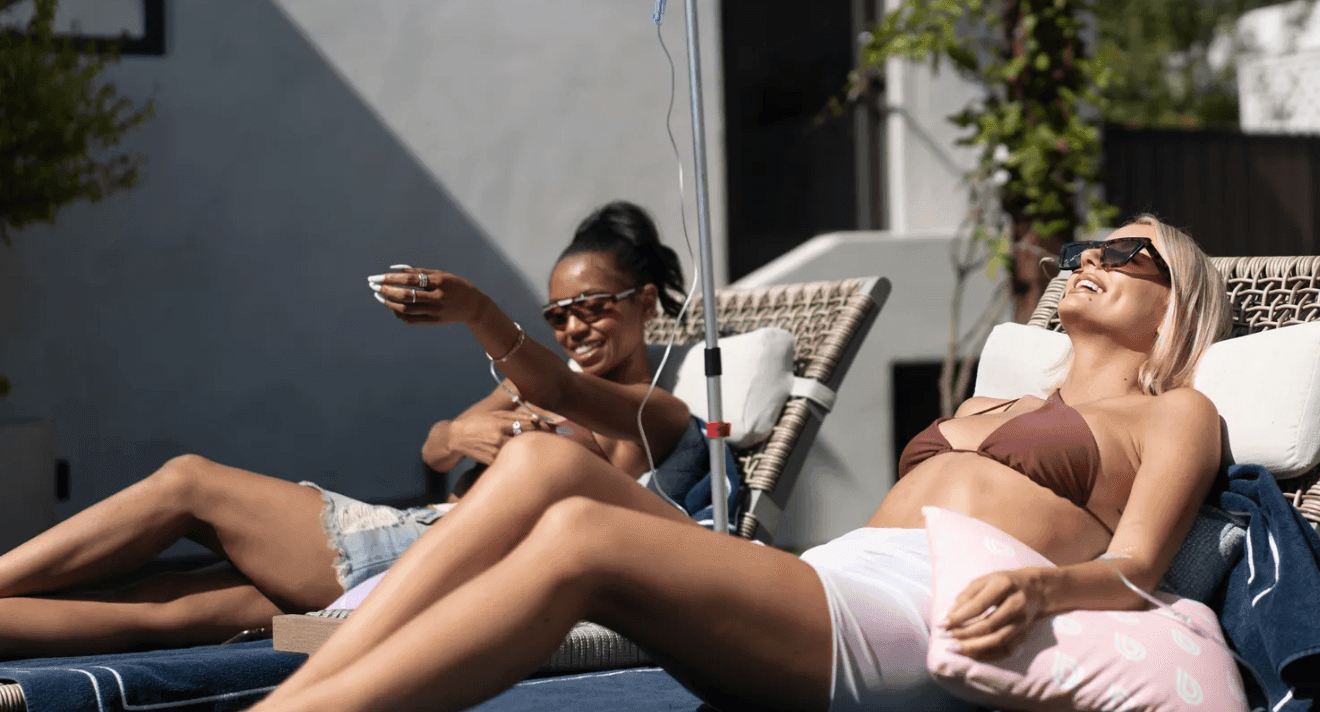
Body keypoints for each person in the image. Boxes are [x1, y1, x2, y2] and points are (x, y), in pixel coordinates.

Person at [247, 214, 1233, 712]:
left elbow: (1137, 567)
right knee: (542, 473)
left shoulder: (1174, 413)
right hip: (828, 580)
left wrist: (1044, 591)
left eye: (1127, 254)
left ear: (1174, 303)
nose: (1091, 256)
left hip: (898, 626)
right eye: (1089, 244)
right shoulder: (999, 398)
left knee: (582, 534)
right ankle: (309, 678)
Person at [0, 201, 720, 658]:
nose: (572, 326)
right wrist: (461, 433)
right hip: (421, 556)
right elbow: (437, 445)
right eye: (558, 314)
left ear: (645, 300)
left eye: (591, 305)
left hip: (421, 563)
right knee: (162, 614)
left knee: (190, 482)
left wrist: (477, 311)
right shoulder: (527, 386)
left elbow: (558, 387)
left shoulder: (660, 412)